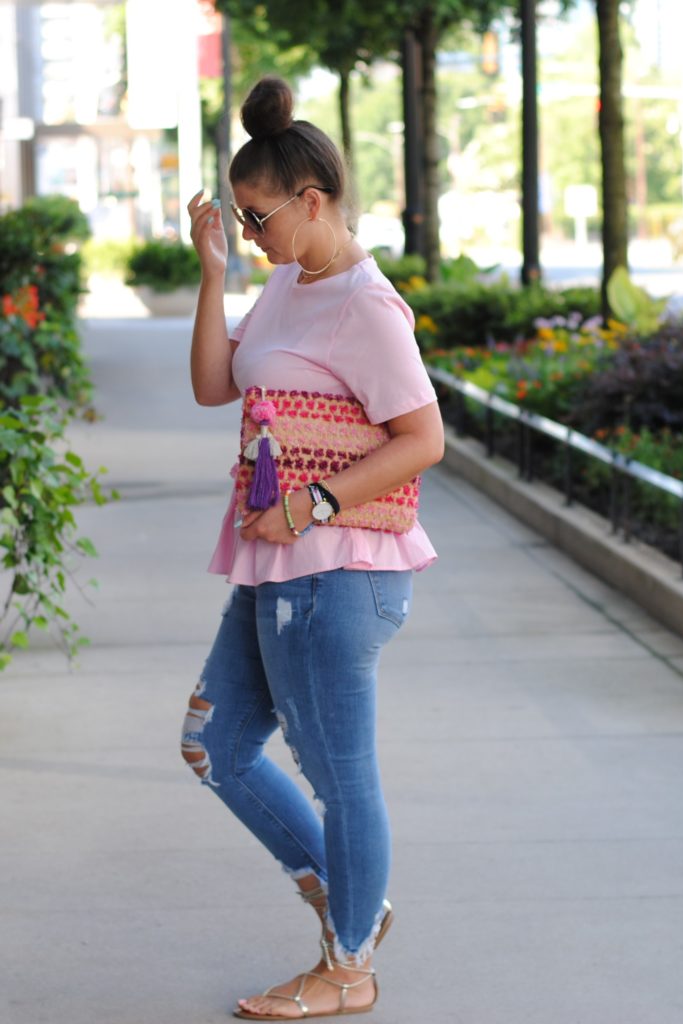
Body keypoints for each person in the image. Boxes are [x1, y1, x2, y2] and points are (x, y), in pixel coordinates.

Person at [182, 75, 444, 1021]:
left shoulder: (366, 308)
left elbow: (424, 438)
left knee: (341, 779)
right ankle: (351, 906)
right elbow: (218, 386)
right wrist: (216, 272)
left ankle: (349, 968)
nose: (254, 237)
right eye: (244, 222)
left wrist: (307, 506)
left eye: (259, 220)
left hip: (336, 573)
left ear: (314, 201)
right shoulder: (289, 284)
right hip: (275, 567)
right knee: (213, 745)